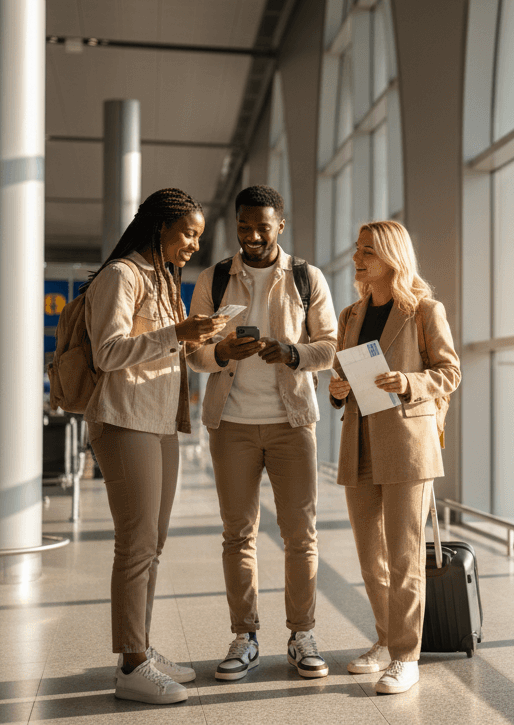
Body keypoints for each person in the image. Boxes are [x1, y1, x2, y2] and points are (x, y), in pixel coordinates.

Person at [185, 185, 339, 681]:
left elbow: (330, 346)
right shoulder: (214, 277)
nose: (253, 236)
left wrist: (290, 352)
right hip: (231, 424)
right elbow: (195, 351)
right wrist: (224, 354)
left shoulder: (305, 277)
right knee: (238, 535)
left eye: (263, 227)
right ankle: (245, 635)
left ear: (281, 226)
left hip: (292, 422)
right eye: (244, 227)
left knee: (300, 535)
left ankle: (302, 634)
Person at [82, 188, 228, 705]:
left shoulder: (165, 280)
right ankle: (131, 665)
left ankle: (139, 647)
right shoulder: (121, 275)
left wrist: (201, 339)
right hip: (124, 421)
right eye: (188, 233)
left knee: (154, 543)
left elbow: (175, 349)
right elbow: (108, 352)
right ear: (159, 227)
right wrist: (176, 332)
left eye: (198, 237)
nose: (193, 245)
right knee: (137, 544)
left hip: (160, 421)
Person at [327, 220, 460, 695]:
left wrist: (409, 382)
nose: (358, 258)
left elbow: (449, 371)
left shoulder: (424, 310)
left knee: (404, 556)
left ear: (391, 256)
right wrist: (337, 390)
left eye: (368, 250)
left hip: (406, 444)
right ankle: (385, 641)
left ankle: (407, 656)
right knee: (369, 556)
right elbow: (342, 378)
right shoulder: (349, 316)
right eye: (357, 249)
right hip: (359, 441)